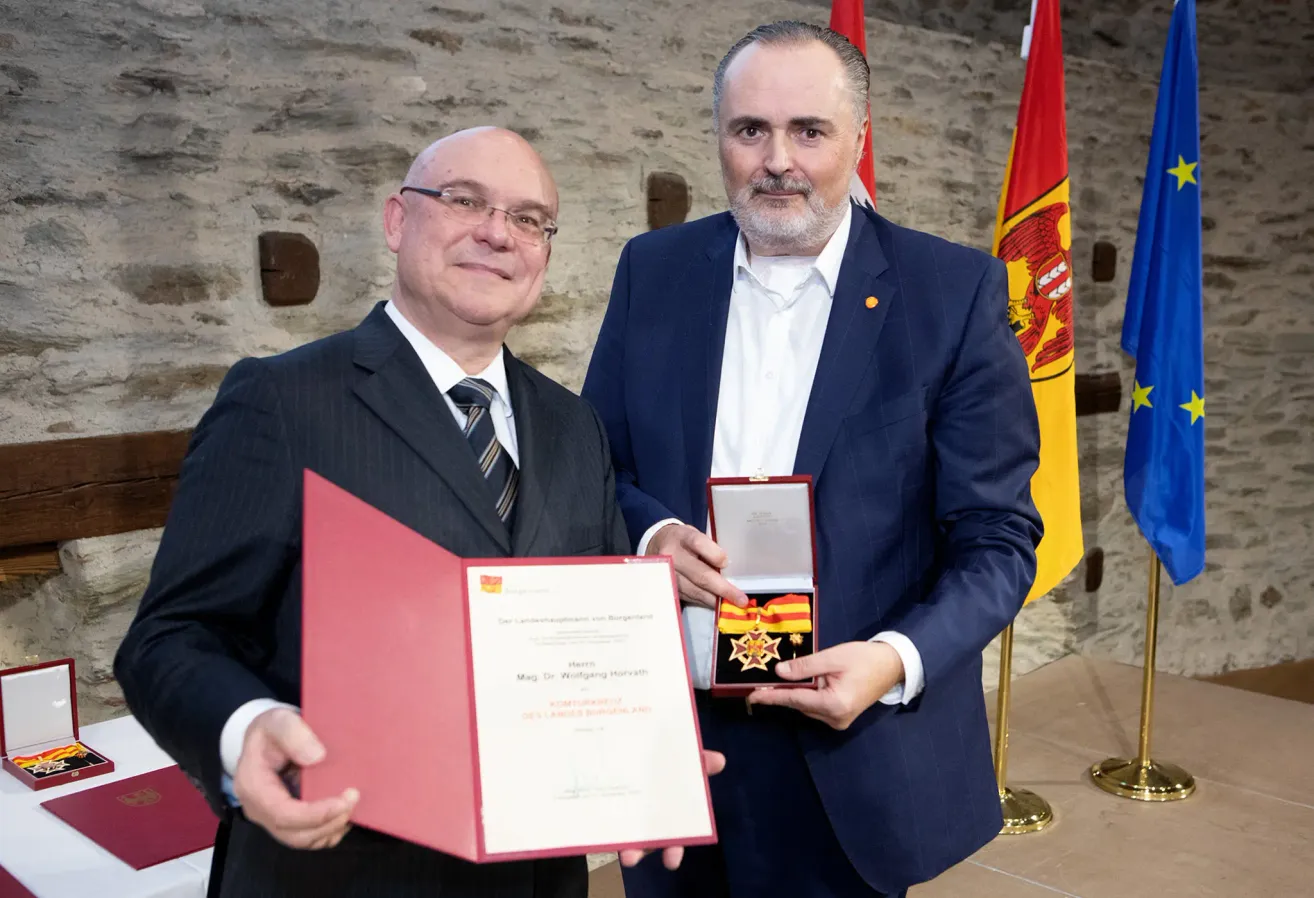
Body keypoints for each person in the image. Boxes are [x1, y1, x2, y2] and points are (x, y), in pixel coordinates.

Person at [114, 126, 719, 898]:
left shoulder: (575, 427)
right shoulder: (282, 401)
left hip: (539, 876)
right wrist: (244, 729)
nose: (498, 232)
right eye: (466, 200)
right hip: (341, 869)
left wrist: (641, 749)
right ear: (399, 221)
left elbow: (589, 633)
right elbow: (169, 637)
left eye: (529, 219)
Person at [581, 21, 1043, 898]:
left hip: (853, 741)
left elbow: (997, 537)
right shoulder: (653, 269)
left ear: (858, 139)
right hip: (677, 737)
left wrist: (895, 657)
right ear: (719, 136)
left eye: (809, 131)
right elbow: (597, 467)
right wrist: (653, 539)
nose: (777, 159)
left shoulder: (952, 294)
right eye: (750, 130)